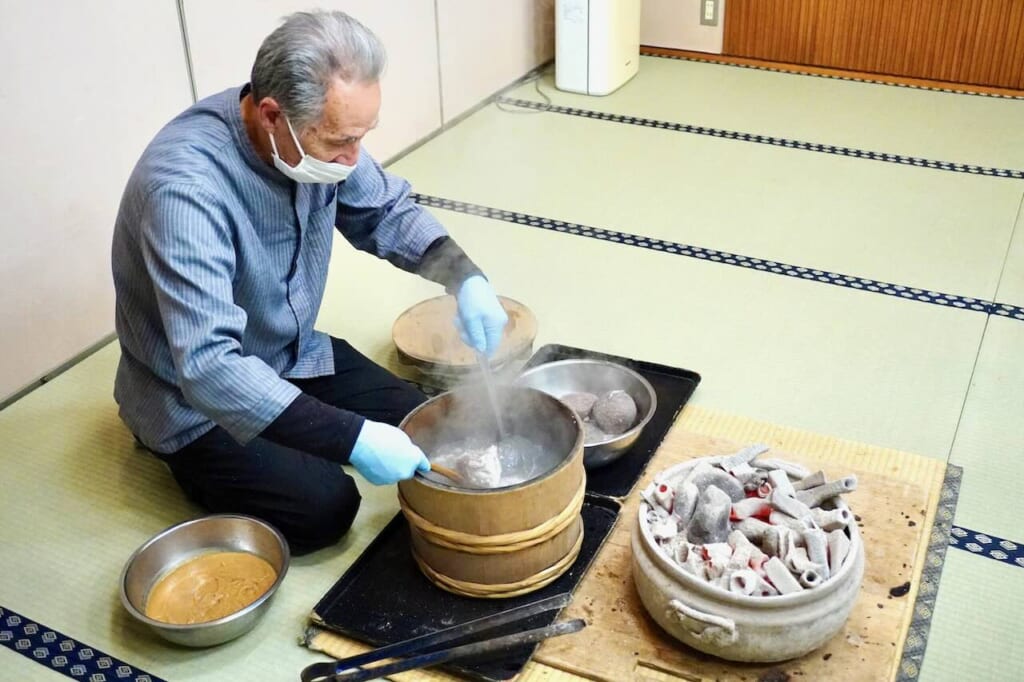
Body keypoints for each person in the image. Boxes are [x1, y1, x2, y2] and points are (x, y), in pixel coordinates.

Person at [111, 10, 508, 555]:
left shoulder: (310, 139)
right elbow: (209, 366)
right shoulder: (184, 188)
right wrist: (351, 438)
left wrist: (465, 280)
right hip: (192, 398)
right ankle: (174, 454)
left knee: (429, 422)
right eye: (339, 142)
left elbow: (384, 212)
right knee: (325, 507)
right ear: (272, 114)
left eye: (361, 138)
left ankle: (308, 436)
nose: (353, 158)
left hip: (289, 353)